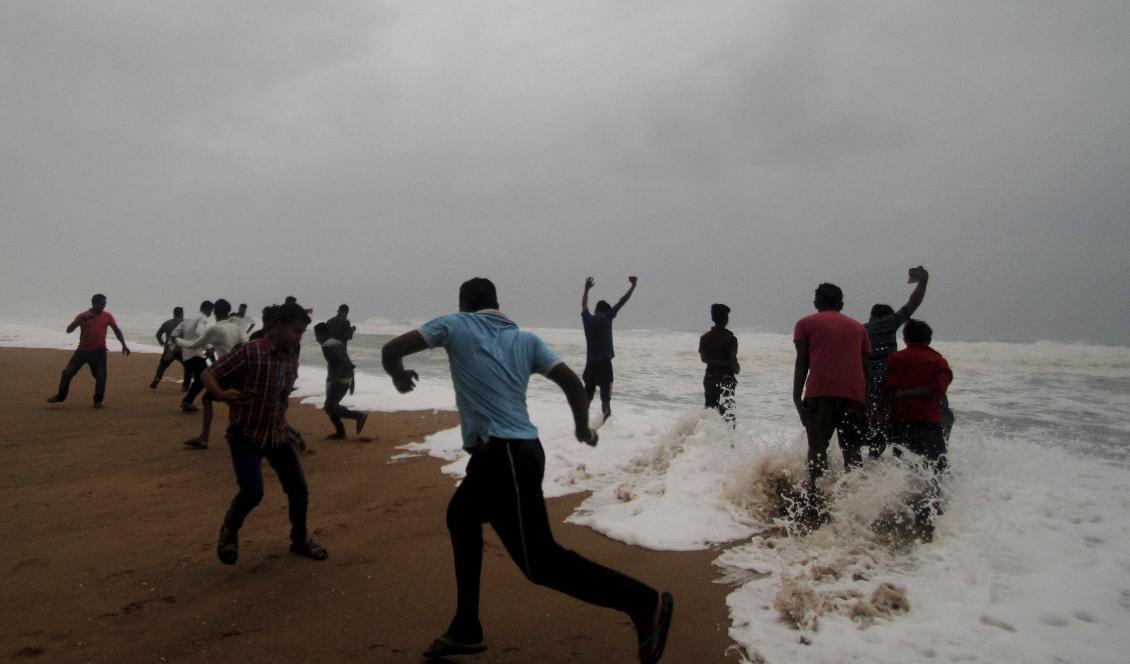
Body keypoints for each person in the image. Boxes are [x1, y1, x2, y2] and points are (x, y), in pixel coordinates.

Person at [381, 277, 673, 662]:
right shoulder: (525, 339)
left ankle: (642, 602)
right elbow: (570, 381)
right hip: (518, 453)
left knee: (541, 563)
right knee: (462, 517)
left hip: (504, 457)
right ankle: (466, 627)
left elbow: (392, 349)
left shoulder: (454, 324)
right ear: (497, 303)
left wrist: (400, 377)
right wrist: (583, 426)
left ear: (465, 303)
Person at [201, 301, 327, 565]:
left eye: (302, 333)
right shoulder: (249, 352)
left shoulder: (292, 356)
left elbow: (279, 399)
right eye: (295, 331)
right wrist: (222, 395)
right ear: (278, 327)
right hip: (245, 434)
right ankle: (229, 530)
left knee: (299, 490)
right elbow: (208, 374)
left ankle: (299, 539)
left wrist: (288, 428)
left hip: (277, 435)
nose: (299, 337)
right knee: (252, 492)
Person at [793, 283, 871, 525]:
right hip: (854, 397)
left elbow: (802, 363)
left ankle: (815, 502)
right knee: (852, 452)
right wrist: (865, 401)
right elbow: (865, 368)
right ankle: (854, 505)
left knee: (817, 447)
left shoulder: (805, 324)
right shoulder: (859, 329)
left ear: (816, 303)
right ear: (841, 304)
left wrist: (797, 396)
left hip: (821, 393)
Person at [883, 319, 953, 541]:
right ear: (929, 339)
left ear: (905, 339)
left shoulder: (896, 359)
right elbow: (939, 389)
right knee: (936, 470)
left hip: (900, 424)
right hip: (929, 425)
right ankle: (931, 513)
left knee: (901, 469)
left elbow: (889, 390)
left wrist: (901, 397)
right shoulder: (939, 361)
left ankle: (900, 510)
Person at [864, 267, 929, 457]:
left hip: (867, 384)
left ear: (871, 316)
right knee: (894, 426)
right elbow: (913, 302)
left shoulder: (862, 329)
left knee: (874, 430)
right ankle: (896, 462)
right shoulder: (891, 322)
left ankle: (873, 462)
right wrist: (924, 281)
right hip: (889, 382)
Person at [177, 299, 245, 450]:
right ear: (228, 311)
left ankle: (204, 438)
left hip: (226, 370)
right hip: (240, 369)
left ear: (215, 312)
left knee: (209, 399)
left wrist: (177, 340)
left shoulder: (215, 329)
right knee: (230, 400)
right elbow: (244, 345)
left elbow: (193, 345)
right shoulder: (236, 327)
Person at [47, 294, 131, 408]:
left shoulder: (107, 316)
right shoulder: (83, 316)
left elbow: (116, 330)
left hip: (99, 352)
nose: (103, 306)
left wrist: (124, 345)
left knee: (101, 376)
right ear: (94, 303)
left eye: (104, 304)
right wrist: (79, 321)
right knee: (67, 373)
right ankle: (61, 396)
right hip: (82, 352)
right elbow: (69, 330)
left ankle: (97, 401)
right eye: (101, 303)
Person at [580, 275, 637, 419]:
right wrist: (633, 286)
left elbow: (584, 305)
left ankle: (581, 430)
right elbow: (622, 302)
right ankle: (606, 429)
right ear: (606, 311)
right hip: (605, 366)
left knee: (586, 401)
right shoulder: (607, 317)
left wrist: (586, 289)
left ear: (596, 310)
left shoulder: (588, 320)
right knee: (605, 403)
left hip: (591, 366)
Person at [314, 322, 367, 439]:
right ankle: (341, 432)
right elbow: (348, 361)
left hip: (338, 379)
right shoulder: (338, 343)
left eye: (317, 335)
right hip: (346, 377)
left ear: (322, 334)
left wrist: (335, 379)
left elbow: (342, 363)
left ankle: (357, 417)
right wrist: (352, 381)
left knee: (330, 406)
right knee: (331, 406)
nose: (316, 338)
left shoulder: (327, 346)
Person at [699, 303, 739, 425]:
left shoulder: (705, 338)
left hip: (710, 379)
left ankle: (705, 439)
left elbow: (704, 359)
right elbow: (733, 363)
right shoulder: (730, 339)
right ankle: (730, 443)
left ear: (713, 318)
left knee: (709, 413)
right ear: (726, 319)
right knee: (728, 416)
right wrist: (733, 366)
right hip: (726, 381)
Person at [173, 300, 213, 413]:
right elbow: (201, 333)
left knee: (199, 379)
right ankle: (187, 401)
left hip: (186, 354)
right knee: (203, 379)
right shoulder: (203, 318)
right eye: (211, 311)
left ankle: (188, 401)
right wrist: (208, 347)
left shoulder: (189, 318)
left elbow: (175, 332)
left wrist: (175, 343)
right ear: (209, 310)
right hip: (196, 354)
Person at [150, 306, 187, 390]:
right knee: (188, 367)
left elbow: (158, 334)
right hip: (181, 350)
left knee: (162, 367)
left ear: (174, 314)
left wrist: (162, 343)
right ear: (181, 313)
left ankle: (156, 380)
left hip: (169, 351)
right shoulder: (185, 323)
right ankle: (185, 386)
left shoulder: (167, 323)